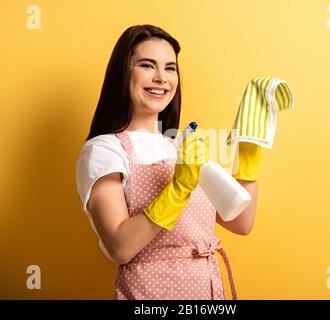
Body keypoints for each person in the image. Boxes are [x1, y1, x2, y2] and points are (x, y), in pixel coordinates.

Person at [75, 24, 260, 300]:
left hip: (207, 291)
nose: (161, 78)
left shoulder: (181, 147)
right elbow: (120, 247)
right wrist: (177, 190)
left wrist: (250, 148)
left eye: (170, 68)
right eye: (147, 66)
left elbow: (240, 221)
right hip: (150, 296)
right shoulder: (104, 150)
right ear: (123, 72)